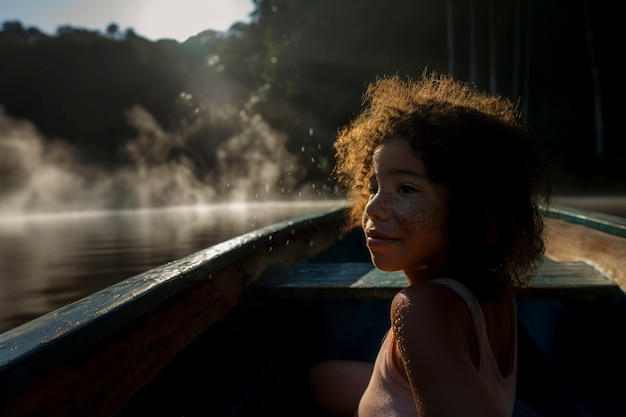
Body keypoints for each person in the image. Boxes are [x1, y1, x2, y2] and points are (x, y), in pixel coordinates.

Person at [307, 71, 551, 417]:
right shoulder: (494, 290)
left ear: (474, 213)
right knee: (321, 378)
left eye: (406, 189)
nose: (373, 207)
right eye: (374, 185)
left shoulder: (418, 310)